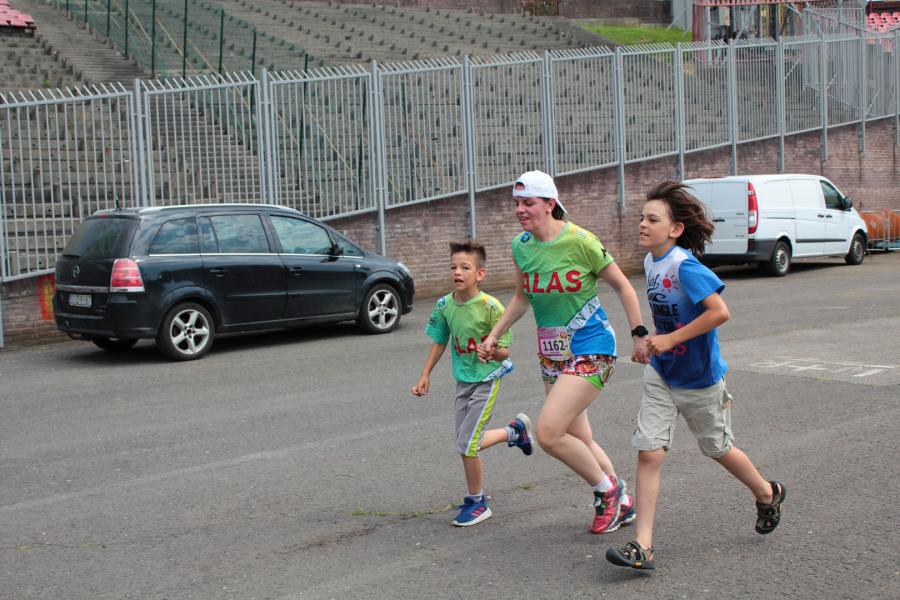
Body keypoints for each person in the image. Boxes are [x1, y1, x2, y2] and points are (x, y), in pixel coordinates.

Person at [606, 181, 786, 571]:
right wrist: (649, 343)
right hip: (662, 374)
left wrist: (671, 339)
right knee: (649, 451)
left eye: (652, 219)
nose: (642, 224)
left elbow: (719, 312)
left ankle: (766, 492)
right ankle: (643, 546)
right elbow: (664, 319)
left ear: (675, 229)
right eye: (641, 217)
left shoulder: (685, 266)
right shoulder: (651, 262)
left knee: (718, 449)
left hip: (700, 379)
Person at [480, 170, 649, 534]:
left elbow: (623, 285)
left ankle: (607, 492)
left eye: (528, 203)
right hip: (552, 354)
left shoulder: (581, 241)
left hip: (593, 346)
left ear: (550, 204)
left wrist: (638, 335)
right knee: (579, 439)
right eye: (517, 203)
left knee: (548, 433)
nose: (520, 210)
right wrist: (494, 334)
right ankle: (623, 502)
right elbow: (522, 298)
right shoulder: (520, 246)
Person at [412, 240, 534, 527]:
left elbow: (505, 351)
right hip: (463, 379)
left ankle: (477, 502)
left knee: (467, 444)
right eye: (453, 267)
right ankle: (514, 432)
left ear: (480, 274)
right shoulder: (444, 305)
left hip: (486, 379)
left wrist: (491, 351)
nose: (457, 272)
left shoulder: (491, 307)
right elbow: (440, 341)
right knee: (465, 441)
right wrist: (425, 374)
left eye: (465, 267)